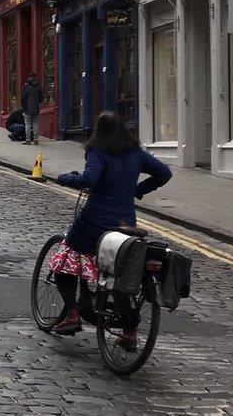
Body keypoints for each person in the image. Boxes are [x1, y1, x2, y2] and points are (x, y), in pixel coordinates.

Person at [47, 112, 172, 340]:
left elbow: (89, 180)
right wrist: (138, 190)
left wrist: (65, 178)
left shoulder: (98, 151)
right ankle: (129, 330)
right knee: (120, 271)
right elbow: (164, 173)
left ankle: (73, 314)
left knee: (64, 262)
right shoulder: (135, 153)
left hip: (94, 222)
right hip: (125, 222)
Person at [21, 72, 43, 145]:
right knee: (35, 124)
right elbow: (41, 98)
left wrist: (23, 106)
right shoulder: (38, 86)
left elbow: (23, 98)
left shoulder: (26, 86)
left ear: (29, 78)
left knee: (27, 124)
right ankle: (35, 139)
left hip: (27, 108)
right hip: (36, 108)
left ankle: (28, 140)